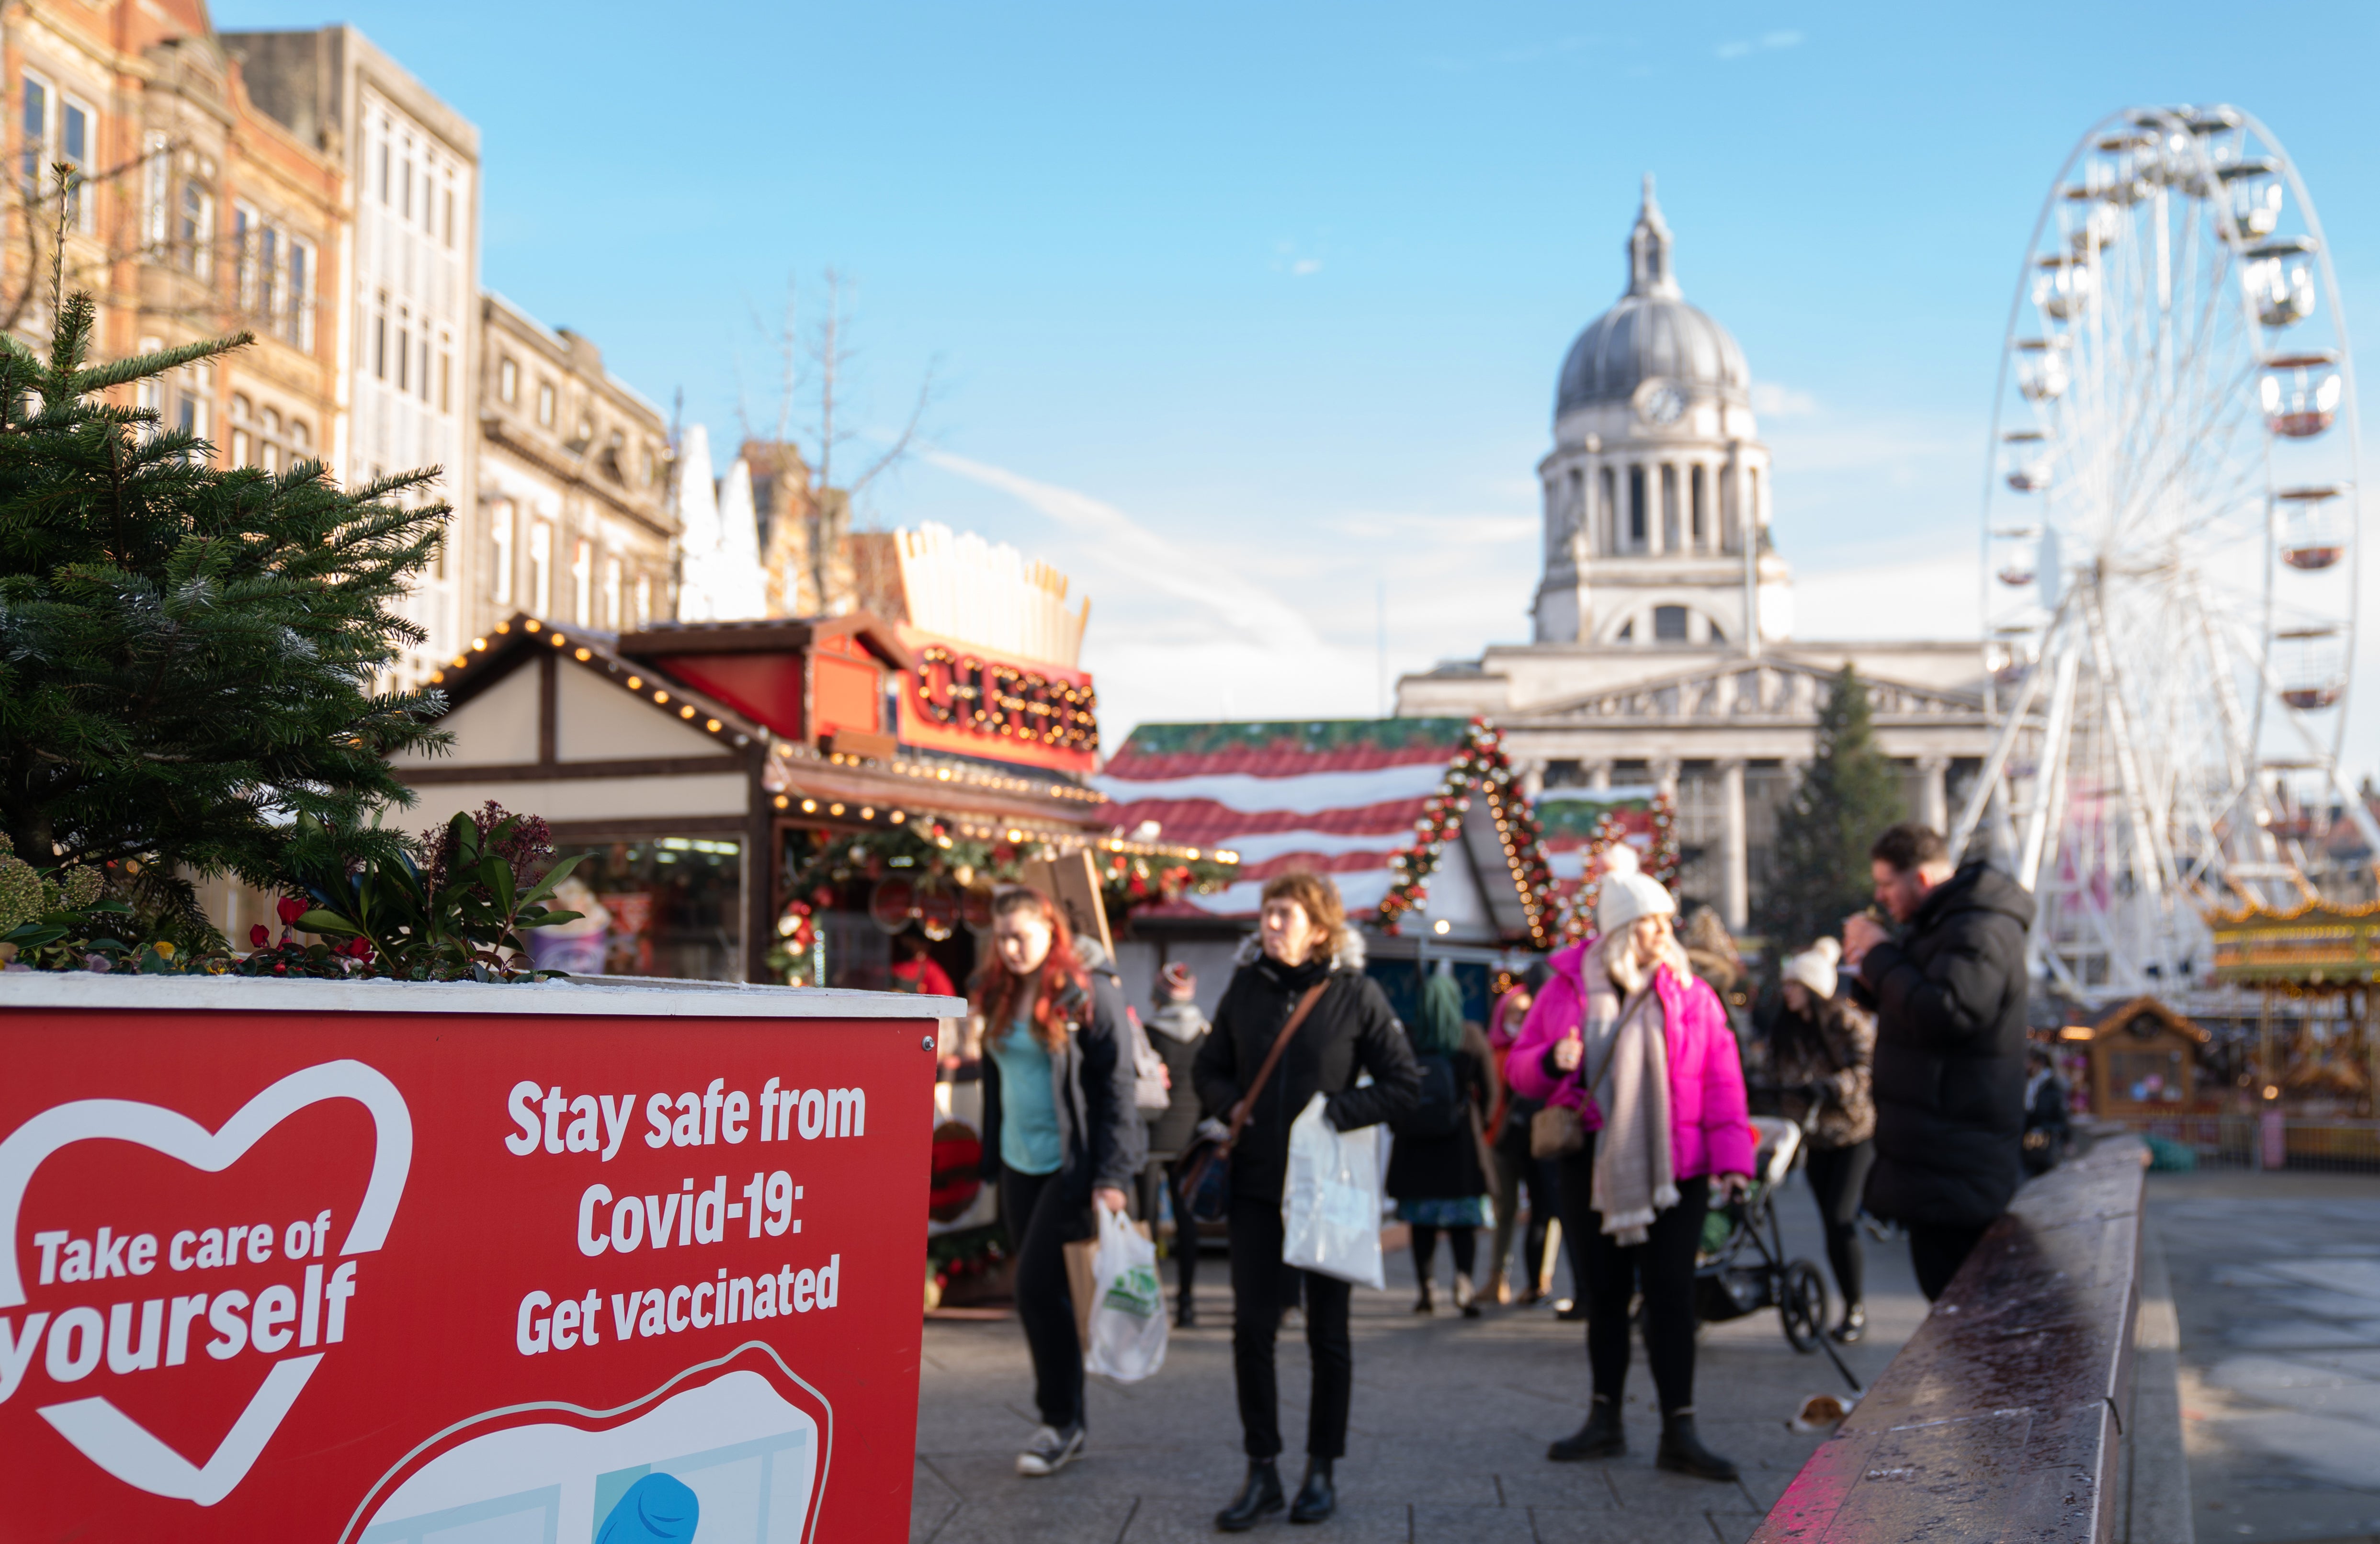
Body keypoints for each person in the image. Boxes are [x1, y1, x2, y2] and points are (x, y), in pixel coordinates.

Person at [1505, 848, 1755, 1482]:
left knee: (1671, 1295)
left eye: (1666, 923)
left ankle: (1680, 1429)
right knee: (1606, 1296)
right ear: (1620, 929)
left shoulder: (1692, 995)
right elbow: (1519, 1066)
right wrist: (1553, 1063)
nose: (1664, 935)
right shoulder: (1565, 987)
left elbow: (1724, 1083)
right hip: (1590, 1161)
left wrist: (1734, 1162)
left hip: (1679, 1169)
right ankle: (1604, 1420)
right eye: (1651, 923)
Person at [1193, 871, 1420, 1530]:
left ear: (1319, 929)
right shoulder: (1245, 989)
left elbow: (1404, 1085)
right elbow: (1206, 1068)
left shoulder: (1356, 994)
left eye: (1284, 915)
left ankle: (1321, 1470)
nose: (1270, 925)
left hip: (1327, 1191)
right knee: (1252, 1331)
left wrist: (1334, 1112)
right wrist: (1230, 1102)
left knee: (1328, 1334)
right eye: (1266, 913)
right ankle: (1260, 1468)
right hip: (1258, 1187)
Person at [972, 886, 1145, 1478]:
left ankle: (1060, 1422)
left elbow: (1117, 1088)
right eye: (1002, 936)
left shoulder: (1086, 994)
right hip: (1019, 1162)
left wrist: (1113, 1176)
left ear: (1051, 933)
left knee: (1033, 1290)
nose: (1011, 946)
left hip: (1071, 1166)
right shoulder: (997, 991)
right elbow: (997, 1079)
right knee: (1047, 1296)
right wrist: (988, 1157)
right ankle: (1065, 1416)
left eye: (1022, 934)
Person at [1841, 822, 2035, 1302]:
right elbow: (1918, 1006)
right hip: (1935, 1161)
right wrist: (1869, 975)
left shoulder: (1979, 926)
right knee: (1951, 1315)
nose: (1880, 896)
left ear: (1922, 879)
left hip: (1956, 1162)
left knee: (1963, 1315)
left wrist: (1879, 953)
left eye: (1887, 884)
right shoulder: (1942, 925)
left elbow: (1946, 1013)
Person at [1766, 937, 1876, 1343]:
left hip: (1851, 1133)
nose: (1788, 990)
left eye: (1795, 984)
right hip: (1811, 1138)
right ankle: (1849, 1302)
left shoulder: (1845, 1022)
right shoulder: (1785, 1030)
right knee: (1829, 1225)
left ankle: (1855, 1306)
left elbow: (1867, 1068)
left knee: (1840, 1215)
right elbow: (1773, 1075)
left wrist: (1832, 1087)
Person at [1386, 972, 1495, 1317]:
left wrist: (1402, 1125)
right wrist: (1481, 1124)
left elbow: (1392, 1091)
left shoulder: (1409, 1038)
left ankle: (1426, 1287)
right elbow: (1491, 1094)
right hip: (1461, 1146)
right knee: (1464, 1224)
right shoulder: (1472, 1036)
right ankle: (1464, 1281)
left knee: (1423, 1225)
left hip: (1415, 1146)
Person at [1485, 964, 1558, 1306]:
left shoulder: (1540, 1048)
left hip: (1540, 1142)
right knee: (1507, 1211)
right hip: (1504, 1142)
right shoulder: (1497, 1052)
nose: (1520, 1017)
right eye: (1514, 1011)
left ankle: (1540, 1280)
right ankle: (1499, 1278)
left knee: (1545, 1212)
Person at [1144, 962, 1211, 1326]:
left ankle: (1150, 1300)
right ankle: (1187, 1303)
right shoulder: (1205, 1032)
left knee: (1149, 1221)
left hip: (1154, 1132)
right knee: (1187, 1221)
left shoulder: (1150, 1032)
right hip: (1191, 1132)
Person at [2022, 1043, 2072, 1176]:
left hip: (2046, 1137)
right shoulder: (2029, 1083)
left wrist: (2067, 1139)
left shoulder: (2052, 1085)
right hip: (2028, 1141)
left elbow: (2061, 1114)